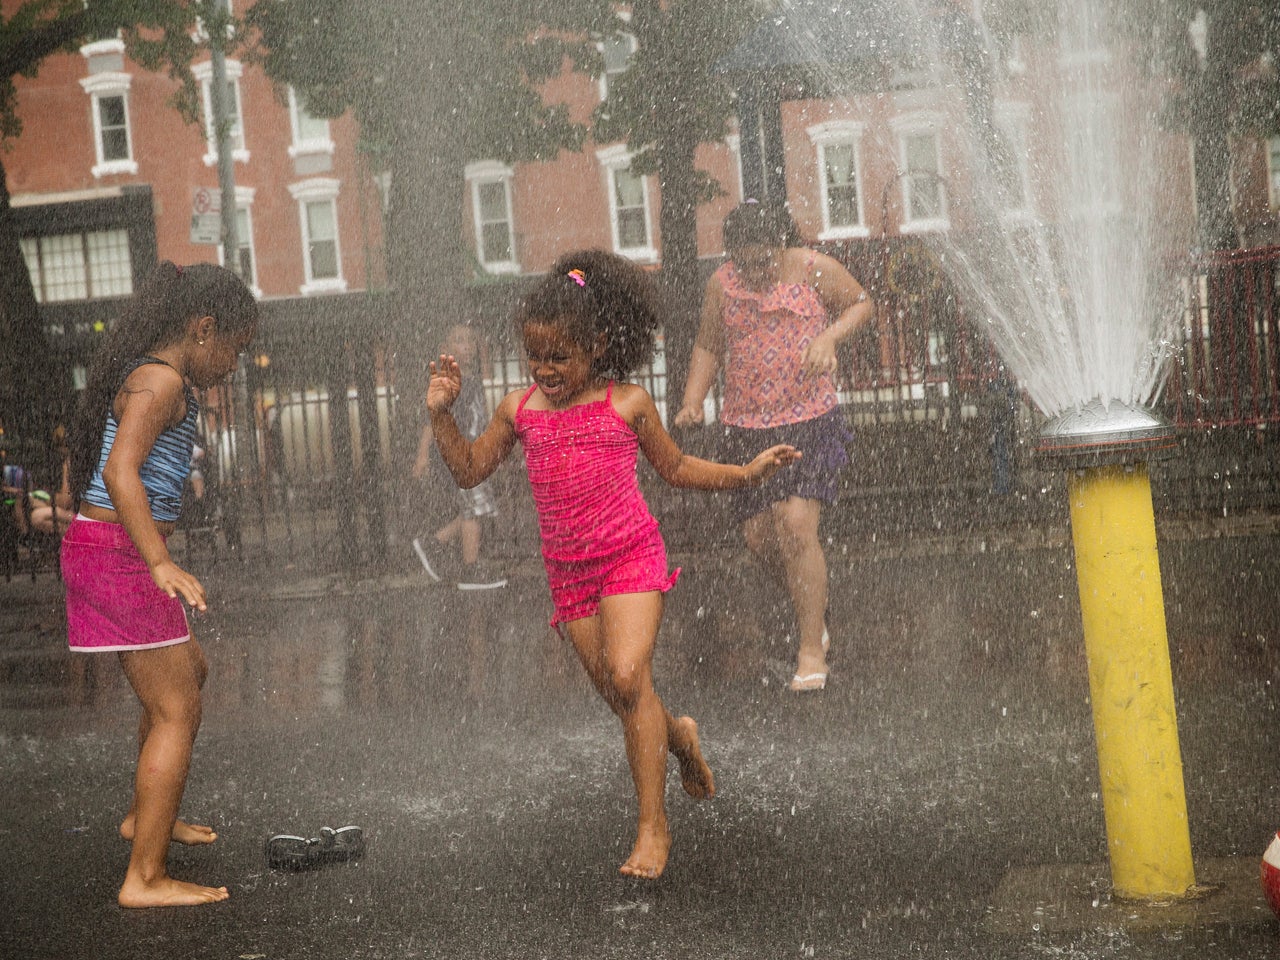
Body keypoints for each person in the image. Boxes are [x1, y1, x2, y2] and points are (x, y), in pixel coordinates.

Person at [427, 249, 800, 879]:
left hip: (630, 556)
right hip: (570, 574)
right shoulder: (519, 412)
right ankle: (679, 736)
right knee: (626, 699)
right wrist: (440, 414)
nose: (545, 370)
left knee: (630, 678)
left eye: (559, 357)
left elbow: (677, 468)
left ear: (596, 346)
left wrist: (745, 472)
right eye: (534, 356)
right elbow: (467, 470)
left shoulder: (626, 404)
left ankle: (653, 829)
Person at [61, 261, 258, 908]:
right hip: (117, 554)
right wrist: (158, 562)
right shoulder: (162, 380)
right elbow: (121, 474)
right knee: (179, 707)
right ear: (204, 329)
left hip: (108, 552)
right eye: (235, 346)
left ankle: (146, 815)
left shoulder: (160, 377)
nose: (236, 363)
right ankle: (143, 877)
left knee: (186, 673)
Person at [674, 201, 875, 692]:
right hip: (748, 427)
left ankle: (811, 649)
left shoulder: (812, 269)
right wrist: (692, 401)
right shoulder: (721, 285)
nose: (756, 272)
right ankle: (813, 604)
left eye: (764, 261)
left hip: (808, 419)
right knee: (760, 538)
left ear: (780, 246)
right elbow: (708, 345)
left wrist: (829, 336)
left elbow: (862, 304)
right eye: (746, 263)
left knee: (797, 523)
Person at [411, 323, 506, 590]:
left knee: (475, 507)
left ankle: (433, 543)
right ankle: (470, 569)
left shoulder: (471, 379)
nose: (468, 346)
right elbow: (433, 419)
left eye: (470, 341)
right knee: (473, 510)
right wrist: (422, 457)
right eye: (460, 341)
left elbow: (479, 418)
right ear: (446, 349)